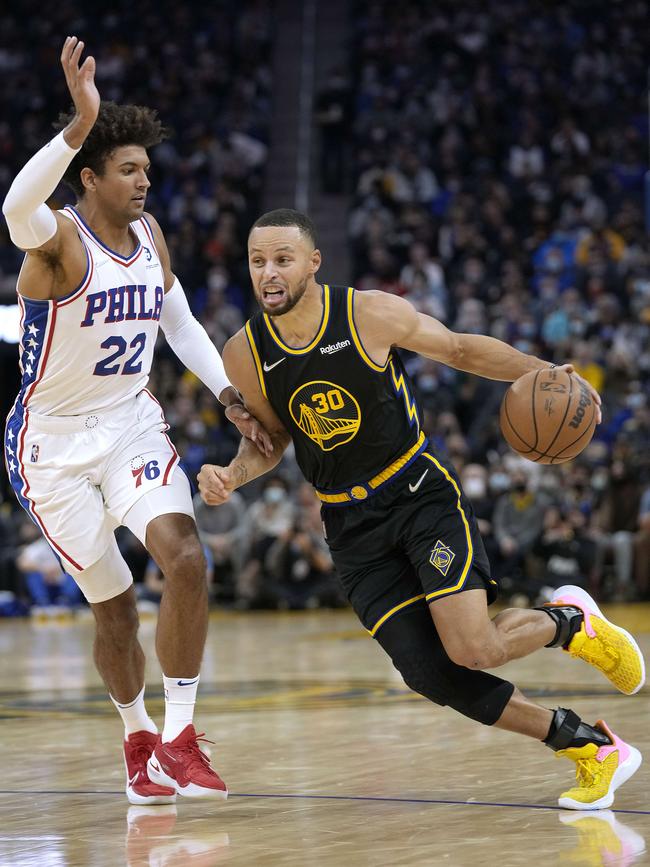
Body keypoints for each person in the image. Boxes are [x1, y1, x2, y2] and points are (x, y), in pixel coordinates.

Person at [199, 208, 645, 810]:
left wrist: (544, 372)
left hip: (417, 495)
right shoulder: (244, 353)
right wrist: (232, 474)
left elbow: (460, 350)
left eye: (282, 259)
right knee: (432, 675)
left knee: (475, 649)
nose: (268, 273)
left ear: (313, 262)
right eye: (257, 262)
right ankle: (592, 746)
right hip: (349, 527)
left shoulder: (368, 313)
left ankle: (569, 621)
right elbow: (273, 442)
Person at [1, 38, 272, 805]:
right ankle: (138, 737)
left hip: (128, 425)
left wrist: (228, 394)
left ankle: (181, 739)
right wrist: (78, 121)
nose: (145, 179)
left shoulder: (151, 237)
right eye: (128, 168)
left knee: (185, 557)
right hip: (50, 446)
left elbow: (179, 323)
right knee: (114, 608)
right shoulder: (55, 242)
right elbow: (13, 207)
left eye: (148, 169)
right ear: (89, 177)